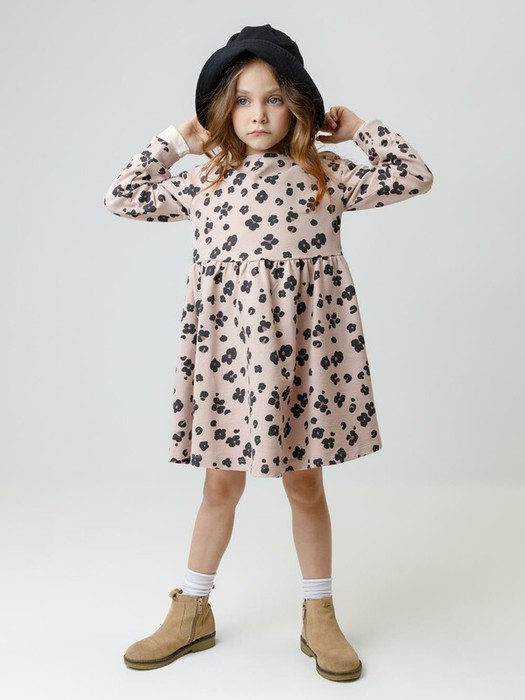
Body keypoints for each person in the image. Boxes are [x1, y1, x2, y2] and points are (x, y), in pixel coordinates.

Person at [104, 24, 433, 682]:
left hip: (305, 358)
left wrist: (360, 130)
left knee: (305, 485)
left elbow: (414, 176)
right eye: (243, 100)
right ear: (223, 110)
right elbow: (121, 194)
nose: (258, 114)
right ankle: (191, 609)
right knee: (218, 484)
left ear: (298, 107)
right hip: (230, 360)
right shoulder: (208, 179)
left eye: (275, 98)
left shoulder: (324, 173)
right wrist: (179, 140)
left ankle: (319, 613)